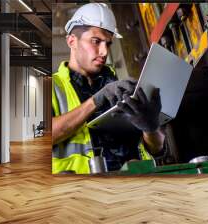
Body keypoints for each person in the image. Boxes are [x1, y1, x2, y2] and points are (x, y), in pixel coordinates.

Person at [52, 3, 165, 174]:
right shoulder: (51, 86)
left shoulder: (119, 88)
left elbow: (156, 149)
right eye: (96, 41)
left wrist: (151, 128)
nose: (104, 52)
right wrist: (96, 101)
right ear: (72, 41)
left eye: (108, 44)